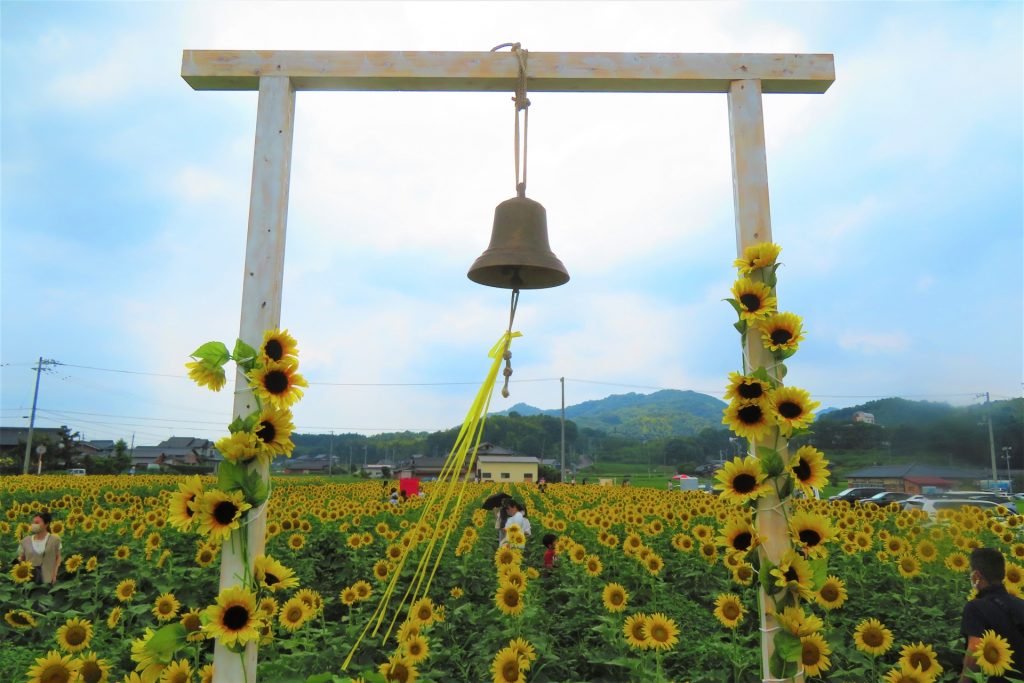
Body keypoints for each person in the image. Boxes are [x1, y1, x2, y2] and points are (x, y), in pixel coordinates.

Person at [959, 547, 1024, 683]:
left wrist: (964, 681)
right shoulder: (1021, 604)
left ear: (976, 576)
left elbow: (975, 648)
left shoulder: (975, 607)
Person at [18, 511, 61, 585]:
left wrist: (55, 573)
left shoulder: (55, 540)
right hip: (29, 580)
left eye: (37, 523)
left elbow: (58, 558)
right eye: (33, 522)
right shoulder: (25, 540)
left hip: (48, 579)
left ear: (46, 524)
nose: (34, 525)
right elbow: (20, 558)